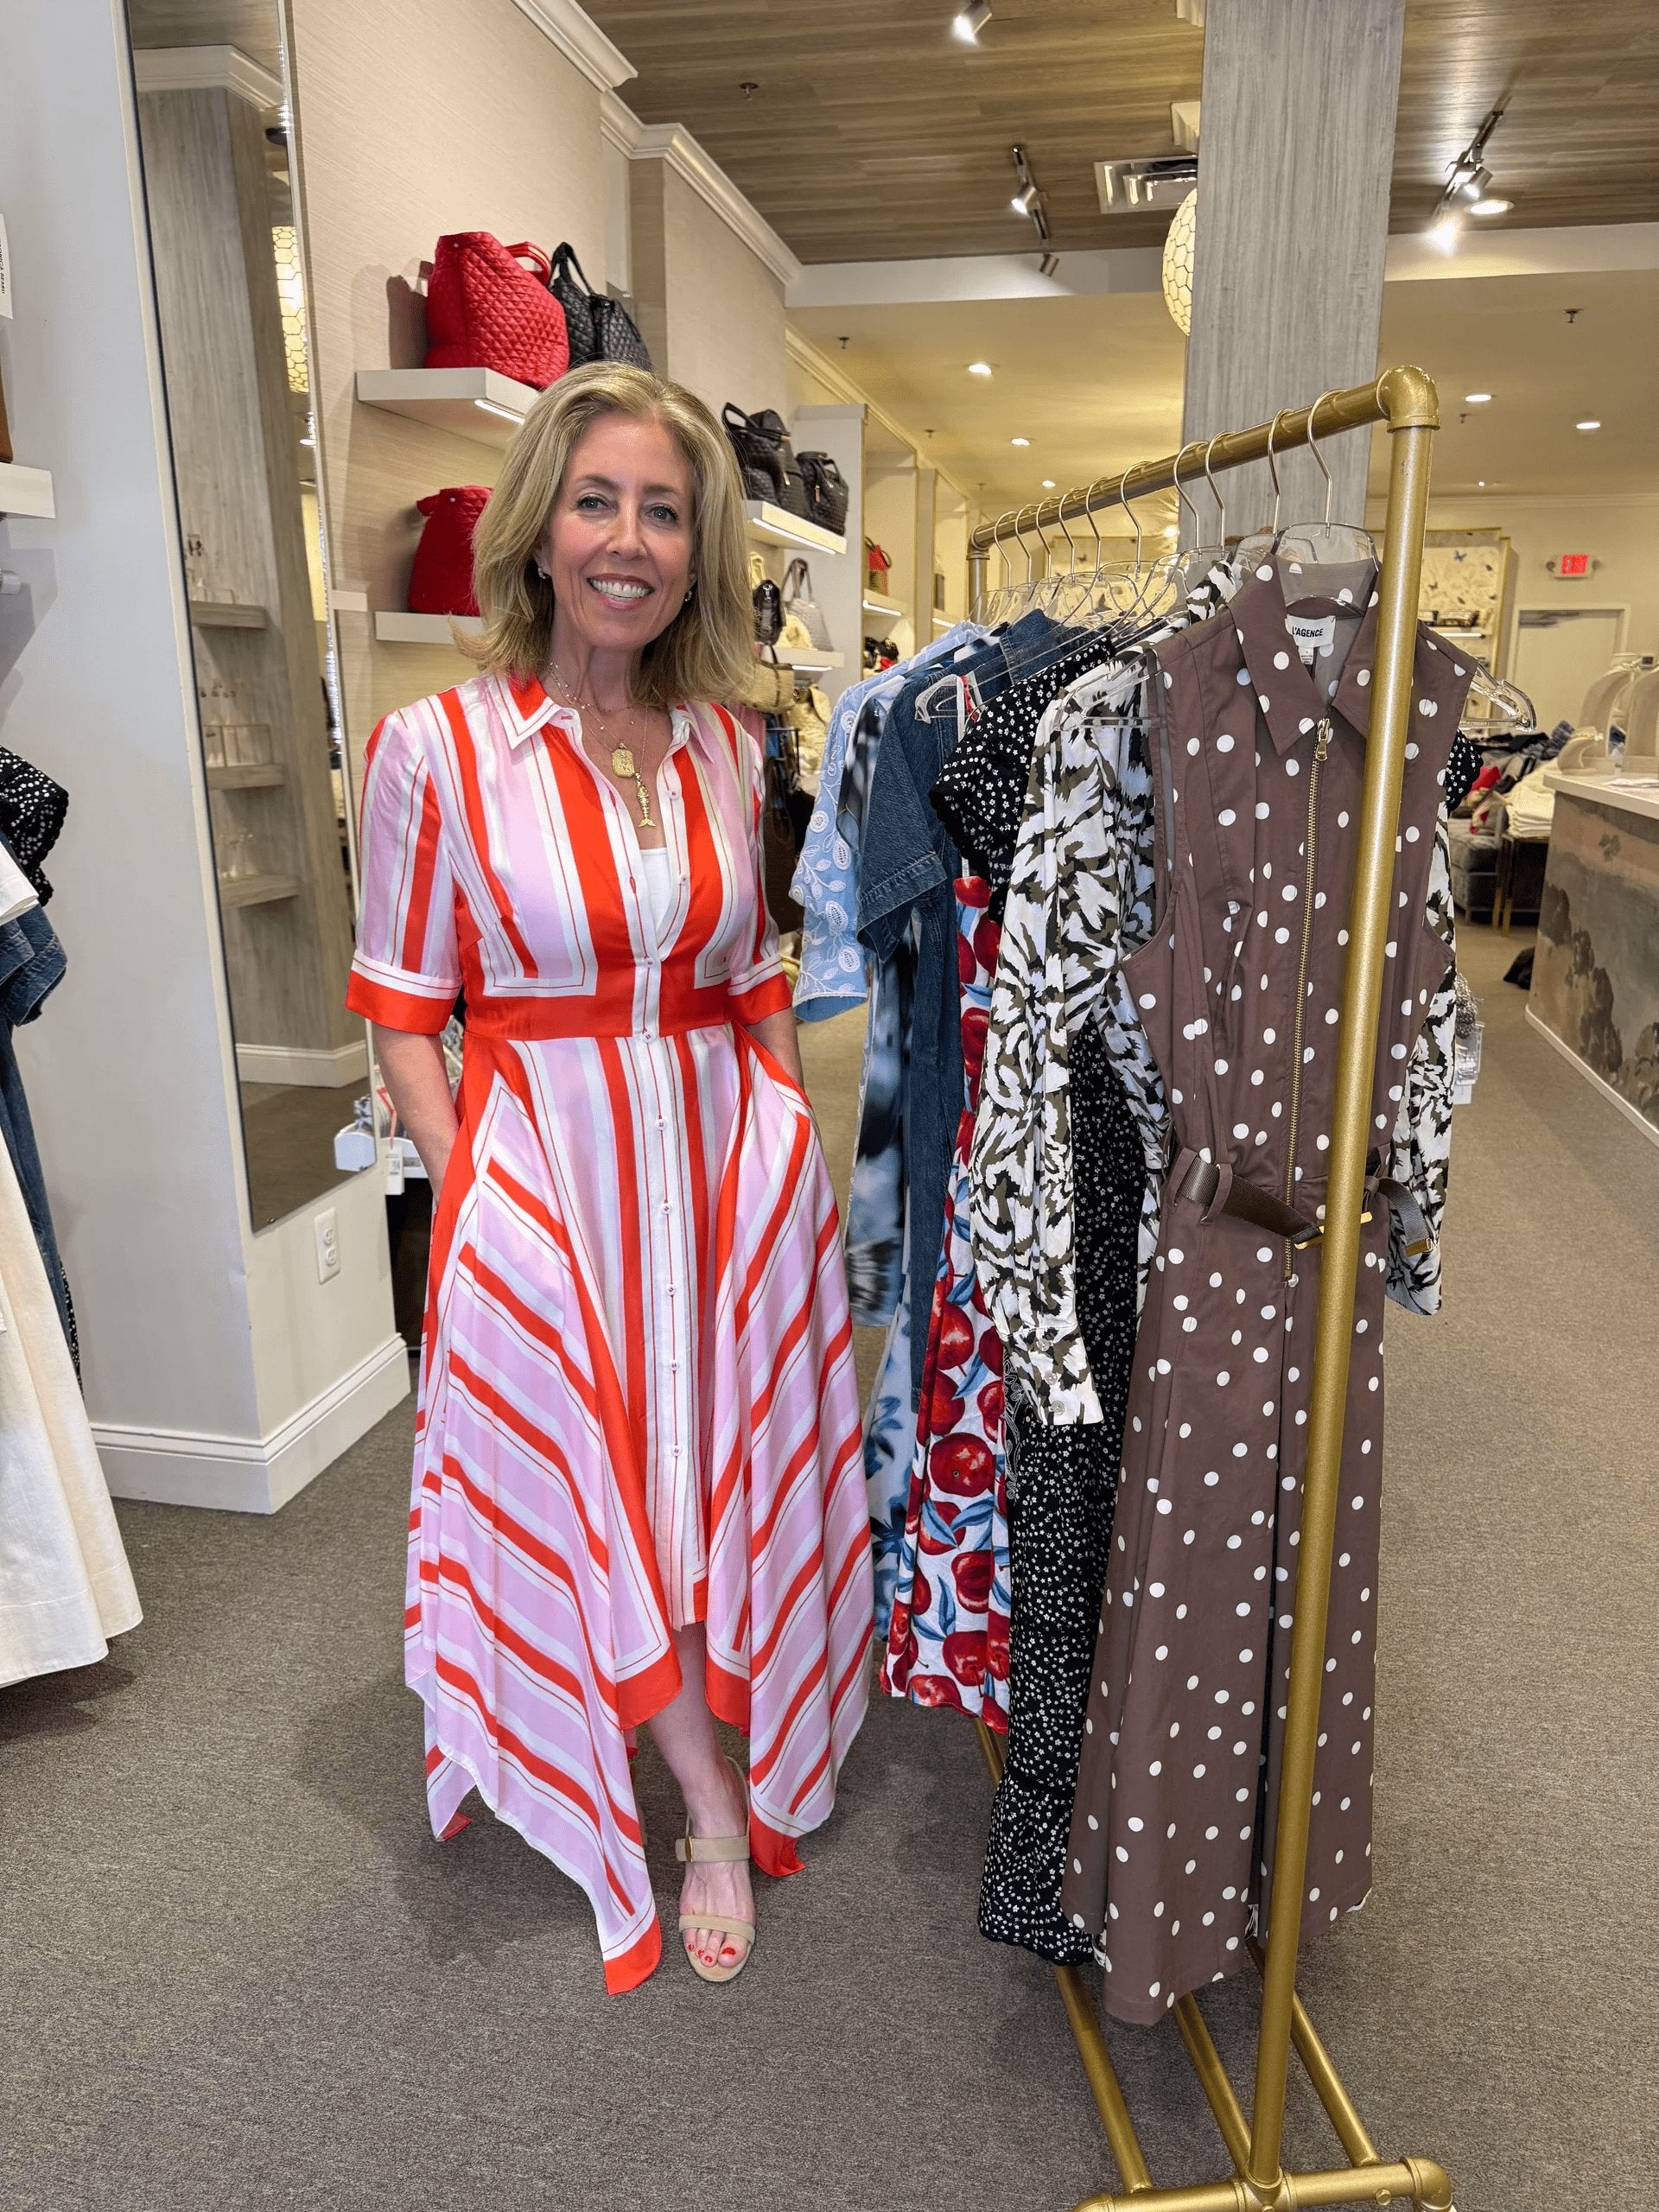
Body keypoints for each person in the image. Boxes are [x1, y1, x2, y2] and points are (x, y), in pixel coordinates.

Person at [346, 364, 872, 1991]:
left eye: (662, 509)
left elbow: (755, 972)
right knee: (596, 1484)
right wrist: (472, 1200)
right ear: (539, 529)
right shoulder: (435, 751)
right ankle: (703, 1793)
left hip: (723, 1171)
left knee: (702, 1471)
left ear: (699, 547)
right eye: (598, 503)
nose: (629, 541)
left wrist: (794, 1155)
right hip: (542, 1185)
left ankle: (716, 1726)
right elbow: (402, 1015)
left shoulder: (728, 738)